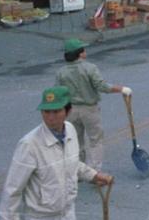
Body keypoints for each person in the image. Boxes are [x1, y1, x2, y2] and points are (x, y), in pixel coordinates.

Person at [0, 86, 114, 220]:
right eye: (46, 111)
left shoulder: (71, 131)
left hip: (67, 213)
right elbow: (13, 186)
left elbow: (72, 162)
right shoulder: (29, 144)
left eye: (56, 111)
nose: (51, 117)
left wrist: (93, 175)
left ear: (67, 111)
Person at [55, 38, 130, 170]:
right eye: (83, 49)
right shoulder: (90, 68)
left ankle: (78, 171)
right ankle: (94, 172)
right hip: (89, 109)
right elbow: (101, 86)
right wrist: (121, 89)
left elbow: (58, 92)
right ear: (80, 53)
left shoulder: (61, 72)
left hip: (70, 110)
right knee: (95, 140)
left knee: (75, 141)